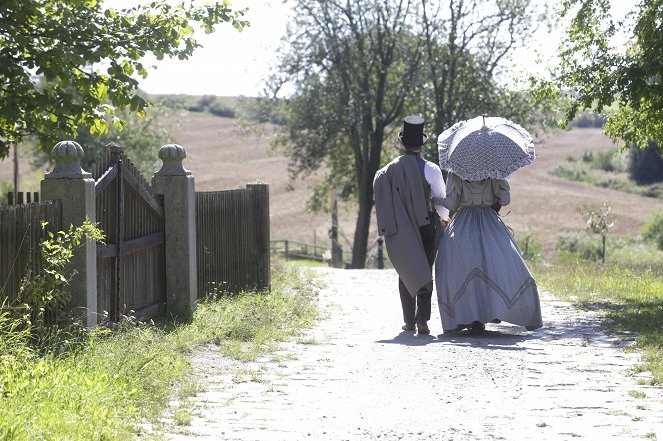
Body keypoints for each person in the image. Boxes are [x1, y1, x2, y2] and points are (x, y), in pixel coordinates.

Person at [433, 172, 543, 335]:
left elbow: (452, 203)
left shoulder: (455, 171)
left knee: (457, 268)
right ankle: (495, 311)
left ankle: (470, 316)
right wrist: (502, 186)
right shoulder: (495, 171)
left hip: (464, 225)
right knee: (502, 265)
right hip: (489, 223)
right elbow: (505, 201)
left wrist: (433, 199)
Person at [373, 115, 450, 335]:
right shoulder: (432, 169)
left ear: (403, 143)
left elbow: (378, 186)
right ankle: (422, 320)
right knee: (425, 269)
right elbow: (441, 198)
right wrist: (444, 217)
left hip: (401, 227)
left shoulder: (388, 170)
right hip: (425, 226)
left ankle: (408, 321)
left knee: (406, 270)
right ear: (421, 144)